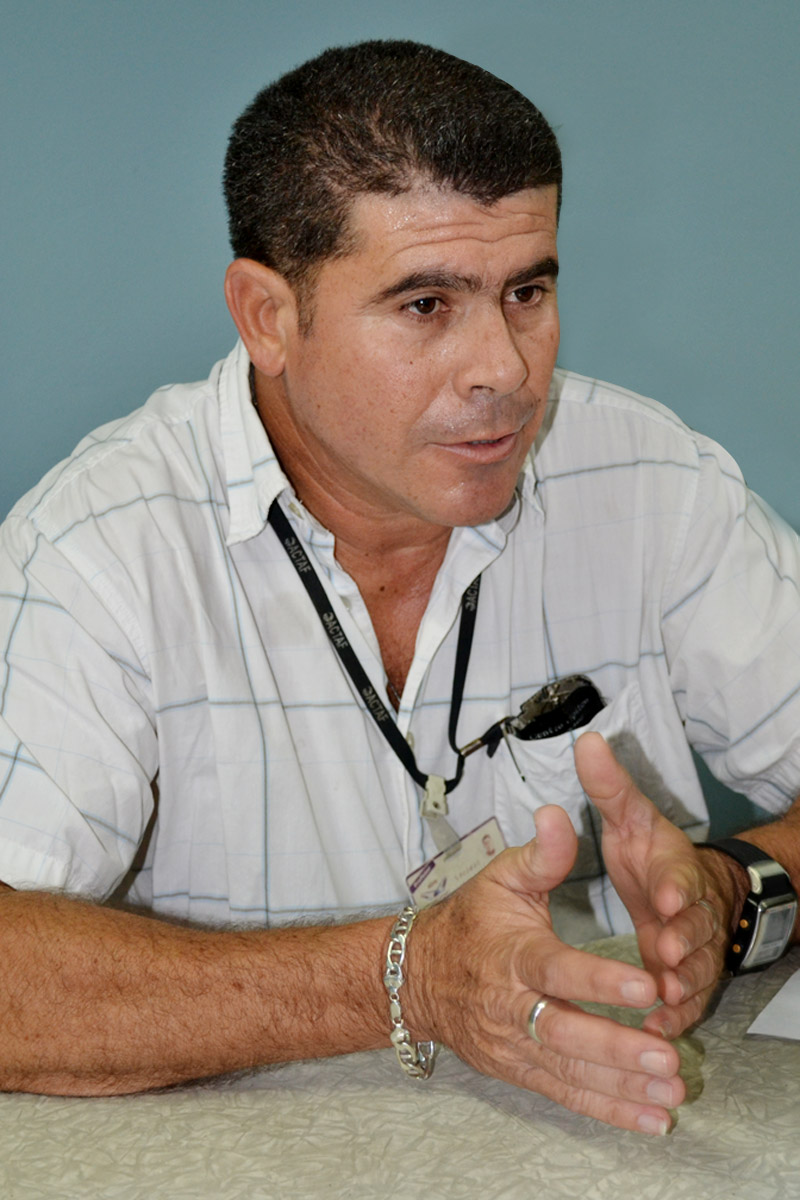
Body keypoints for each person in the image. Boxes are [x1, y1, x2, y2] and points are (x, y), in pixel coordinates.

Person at [0, 40, 798, 1137]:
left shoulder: (649, 480)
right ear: (267, 316)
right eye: (426, 305)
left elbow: (742, 885)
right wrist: (408, 977)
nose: (505, 369)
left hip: (611, 1145)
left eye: (527, 291)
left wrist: (735, 889)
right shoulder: (99, 546)